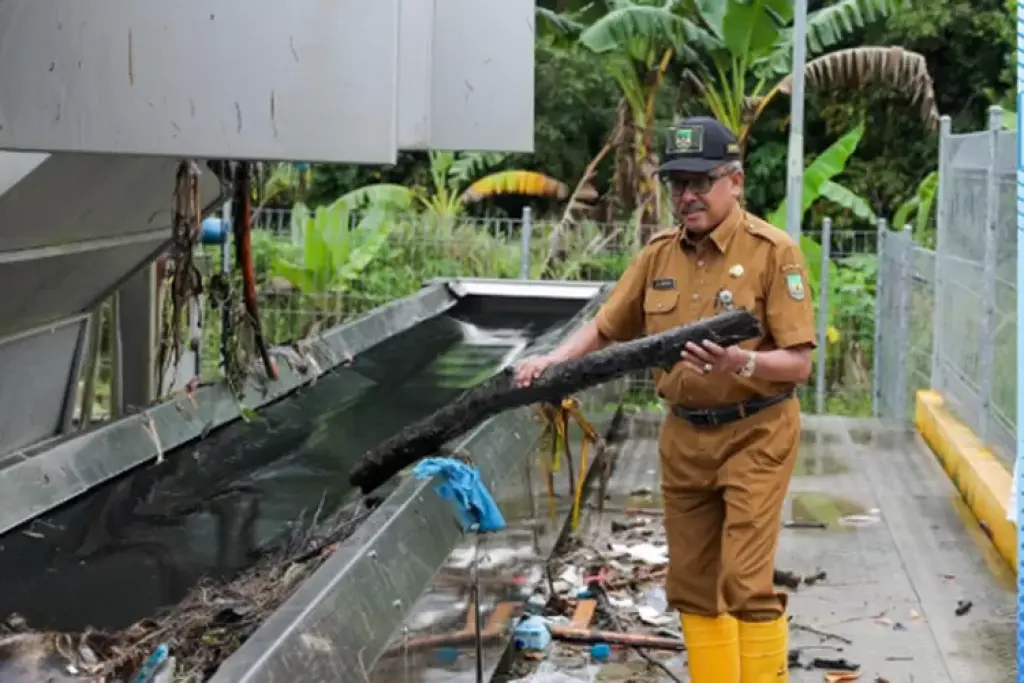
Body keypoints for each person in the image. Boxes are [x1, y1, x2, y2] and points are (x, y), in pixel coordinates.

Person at [515, 116, 815, 683]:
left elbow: (799, 362)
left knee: (745, 581)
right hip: (684, 437)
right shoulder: (658, 255)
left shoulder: (774, 252)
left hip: (757, 432)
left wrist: (740, 362)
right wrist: (555, 362)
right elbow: (605, 327)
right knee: (692, 583)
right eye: (678, 184)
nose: (687, 196)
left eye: (700, 182)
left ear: (735, 181)